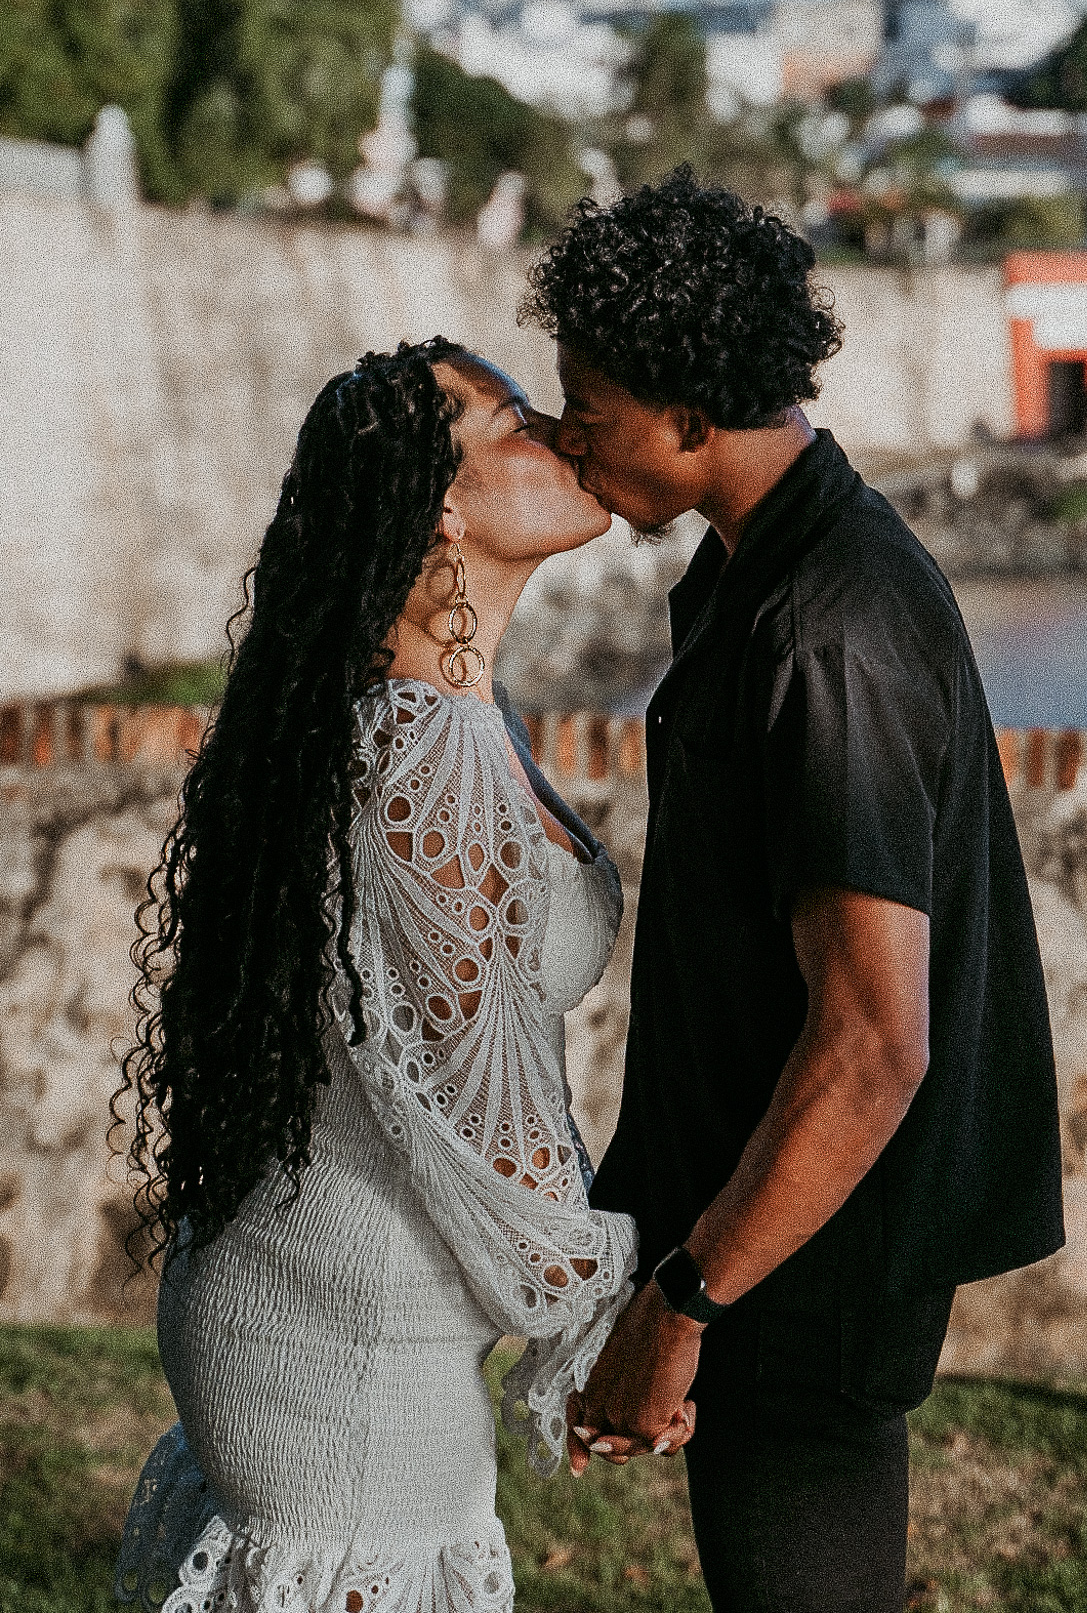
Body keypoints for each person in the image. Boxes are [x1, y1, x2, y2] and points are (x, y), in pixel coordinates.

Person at [522, 167, 1066, 1612]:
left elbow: (877, 1042)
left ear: (694, 422)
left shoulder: (828, 635)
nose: (569, 439)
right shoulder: (753, 576)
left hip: (804, 1261)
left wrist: (687, 1305)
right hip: (758, 1229)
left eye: (593, 409)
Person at [113, 339, 692, 1613]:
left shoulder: (433, 708)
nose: (564, 431)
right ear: (443, 498)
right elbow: (487, 1122)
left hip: (342, 1302)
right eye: (515, 420)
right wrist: (640, 1322)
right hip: (345, 1347)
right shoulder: (422, 750)